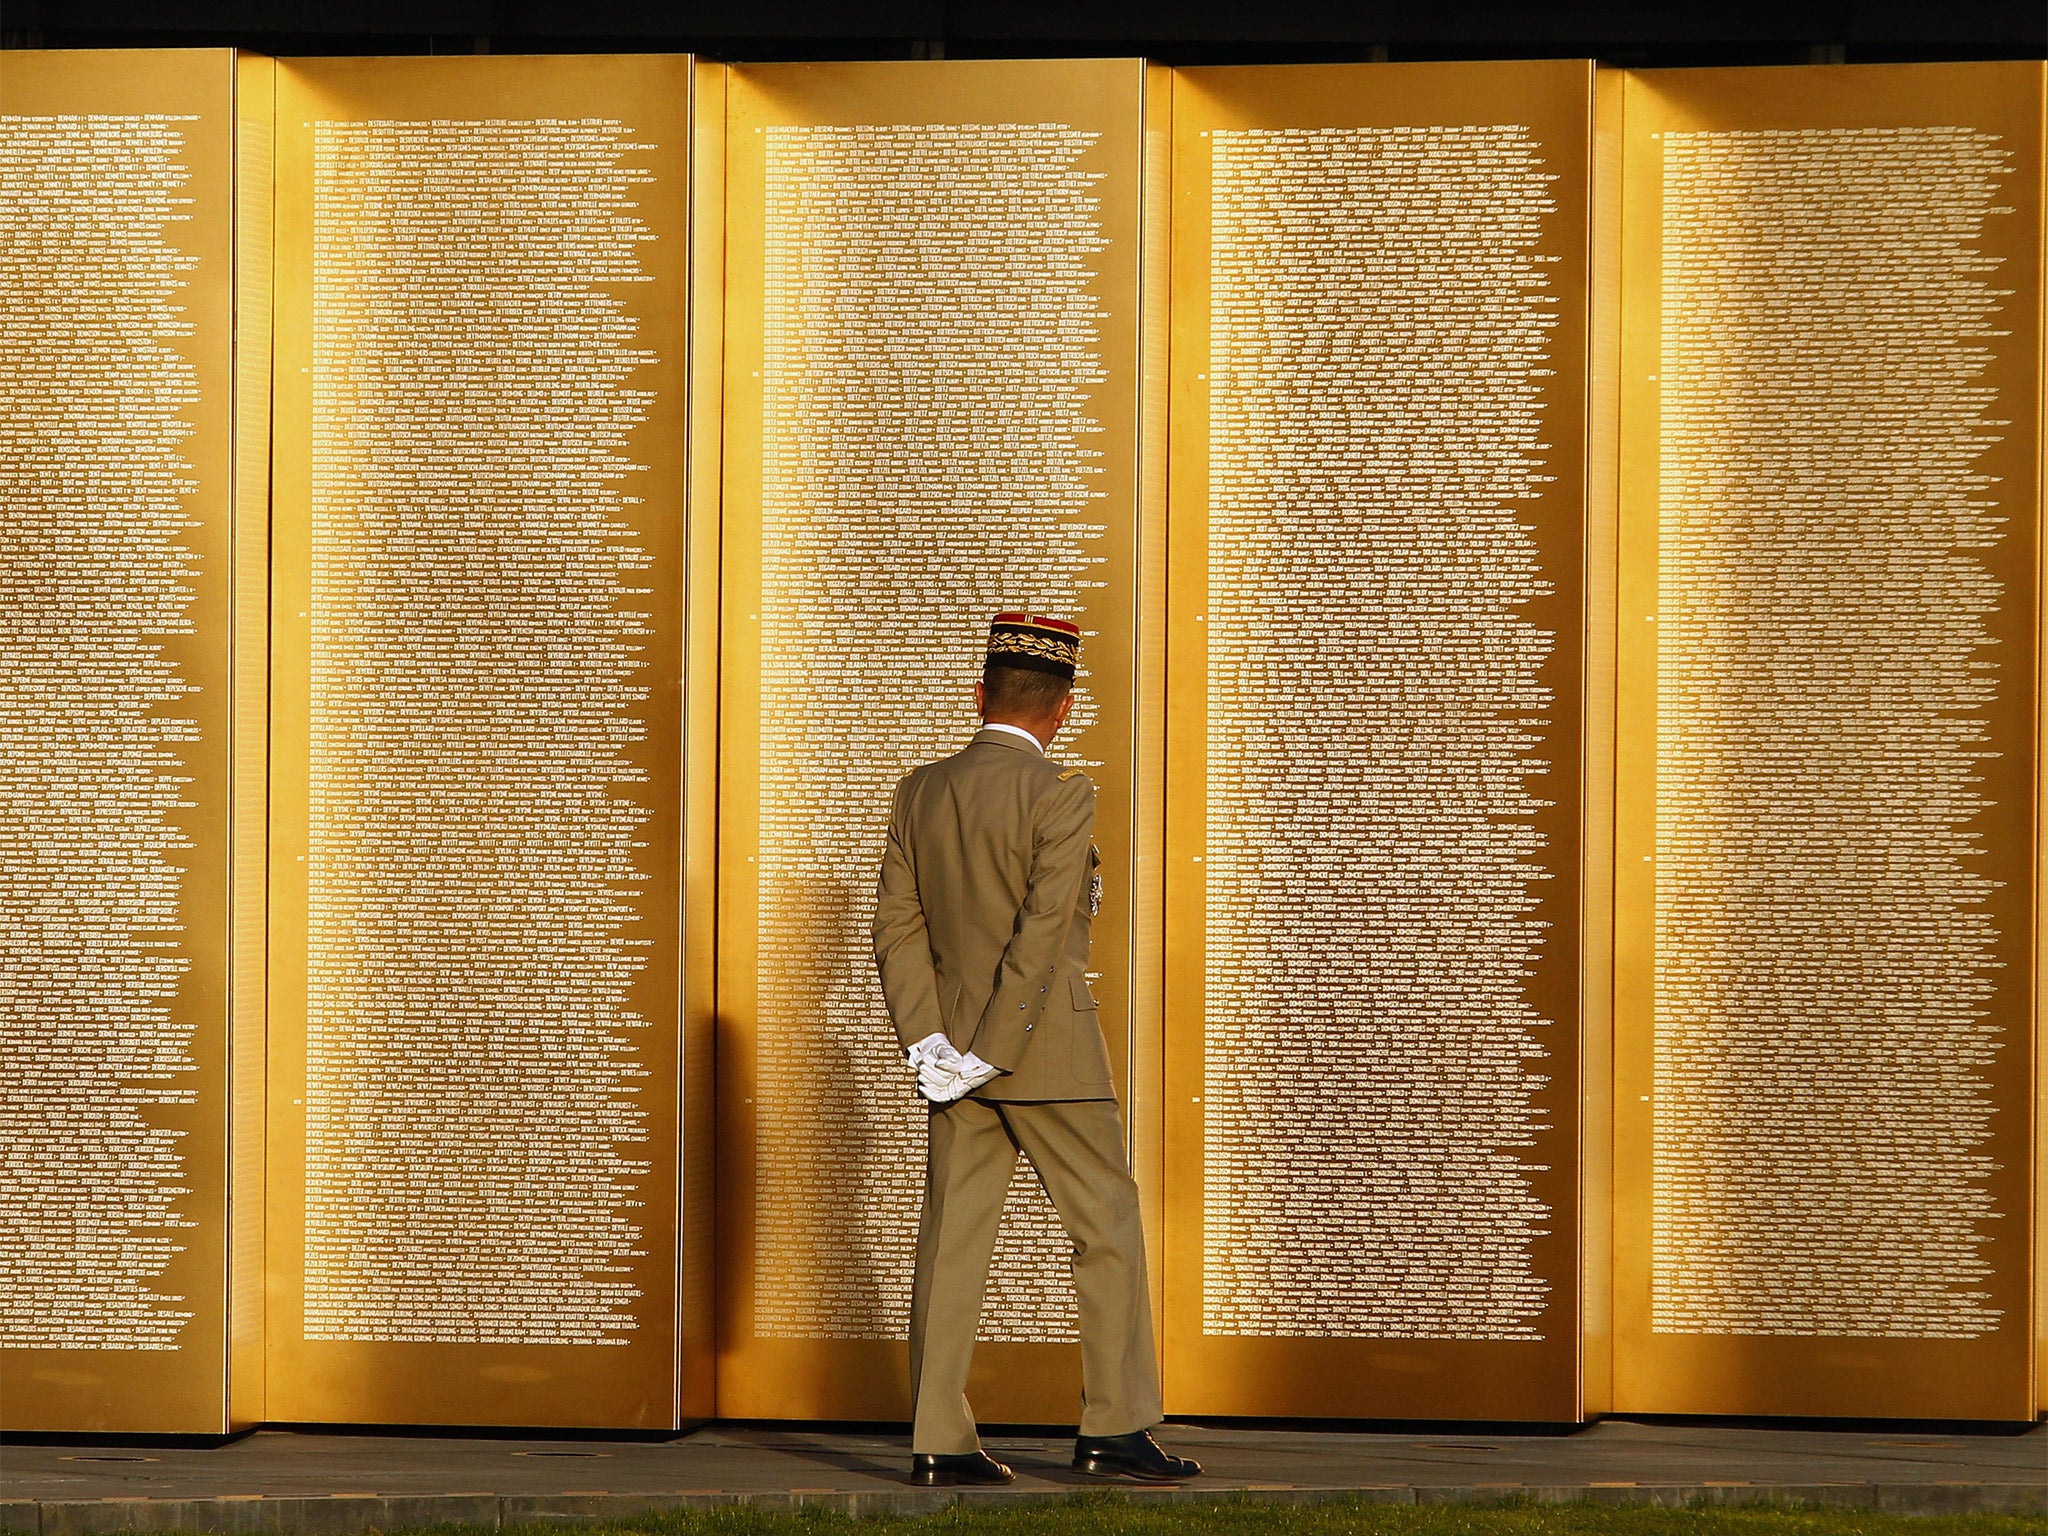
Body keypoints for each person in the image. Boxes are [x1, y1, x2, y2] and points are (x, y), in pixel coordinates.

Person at [871, 613, 1201, 1489]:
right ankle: (1116, 1427)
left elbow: (896, 933)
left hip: (953, 1061)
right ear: (1060, 709)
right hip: (1045, 1053)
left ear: (980, 695)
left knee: (950, 1244)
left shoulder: (920, 791)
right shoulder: (1062, 792)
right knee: (1108, 1232)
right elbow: (1043, 936)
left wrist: (932, 1045)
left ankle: (937, 1439)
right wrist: (991, 1050)